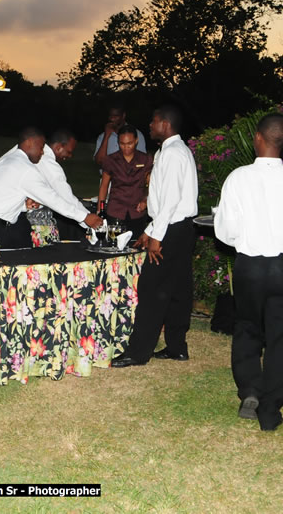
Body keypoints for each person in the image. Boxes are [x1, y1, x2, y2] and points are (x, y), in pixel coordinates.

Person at [214, 113, 283, 431]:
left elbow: (224, 232)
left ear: (257, 138)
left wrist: (247, 240)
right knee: (282, 339)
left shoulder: (238, 178)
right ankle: (269, 412)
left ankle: (249, 391)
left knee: (248, 328)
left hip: (250, 267)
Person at [112, 105, 197, 368]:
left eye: (153, 121)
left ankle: (138, 353)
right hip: (180, 228)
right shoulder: (173, 151)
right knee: (178, 289)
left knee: (152, 290)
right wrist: (149, 230)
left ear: (164, 124)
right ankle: (176, 347)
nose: (149, 125)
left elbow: (171, 200)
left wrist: (157, 236)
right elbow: (168, 200)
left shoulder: (172, 153)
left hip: (172, 228)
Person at [0, 127, 103, 248]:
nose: (42, 152)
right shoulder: (26, 168)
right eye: (41, 147)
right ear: (30, 143)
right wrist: (84, 217)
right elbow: (53, 199)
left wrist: (23, 206)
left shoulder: (4, 160)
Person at [97, 124, 153, 237]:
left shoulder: (145, 159)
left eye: (129, 143)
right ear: (118, 142)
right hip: (116, 210)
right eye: (122, 144)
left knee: (135, 246)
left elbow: (151, 185)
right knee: (114, 244)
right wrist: (100, 212)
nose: (126, 147)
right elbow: (104, 186)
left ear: (136, 141)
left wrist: (146, 201)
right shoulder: (110, 160)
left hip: (137, 212)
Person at [34, 129, 89, 241]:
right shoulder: (48, 162)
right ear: (59, 147)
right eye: (69, 152)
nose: (70, 156)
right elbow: (66, 197)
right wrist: (88, 219)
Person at [93, 103, 147, 169]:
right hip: (107, 178)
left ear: (123, 115)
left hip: (130, 178)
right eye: (110, 116)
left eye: (116, 116)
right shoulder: (102, 137)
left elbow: (142, 162)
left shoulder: (137, 134)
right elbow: (99, 161)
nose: (112, 119)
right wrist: (106, 136)